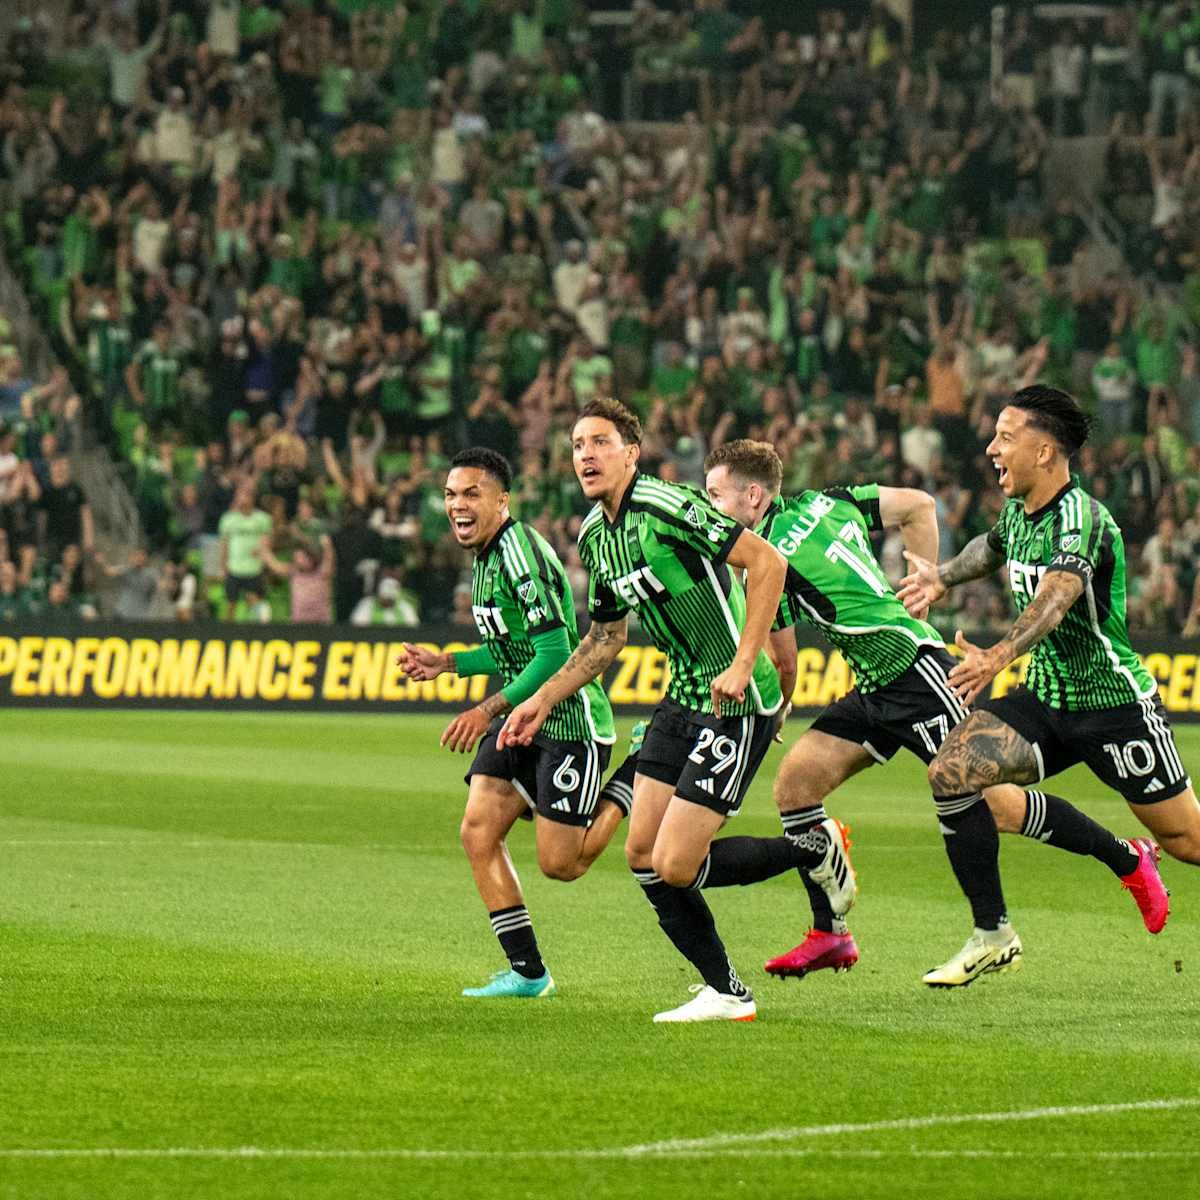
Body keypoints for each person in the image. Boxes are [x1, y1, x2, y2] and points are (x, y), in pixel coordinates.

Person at [703, 439, 1165, 989]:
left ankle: (1123, 862)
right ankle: (831, 934)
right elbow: (919, 505)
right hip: (877, 684)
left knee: (991, 802)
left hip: (920, 676)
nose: (710, 509)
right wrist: (923, 587)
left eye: (715, 495)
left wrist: (776, 711)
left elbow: (783, 659)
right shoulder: (832, 500)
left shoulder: (763, 560)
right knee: (797, 786)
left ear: (753, 497)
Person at [500, 399, 854, 1023]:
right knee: (643, 857)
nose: (585, 454)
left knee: (675, 863)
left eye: (600, 442)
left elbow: (768, 563)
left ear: (630, 454)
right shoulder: (593, 536)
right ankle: (727, 991)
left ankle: (812, 846)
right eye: (578, 444)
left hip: (738, 701)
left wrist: (744, 666)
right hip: (682, 698)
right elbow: (605, 640)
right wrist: (540, 701)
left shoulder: (670, 507)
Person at [900, 386, 1197, 976]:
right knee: (953, 770)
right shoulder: (1020, 511)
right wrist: (942, 578)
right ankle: (992, 932)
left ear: (1045, 451)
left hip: (1114, 707)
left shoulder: (1081, 517)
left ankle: (1141, 858)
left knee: (1189, 841)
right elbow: (991, 548)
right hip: (1049, 700)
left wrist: (998, 656)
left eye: (1006, 438)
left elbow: (1057, 597)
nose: (991, 448)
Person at [399, 448, 622, 1000]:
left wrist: (486, 709)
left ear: (503, 501)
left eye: (472, 494)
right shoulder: (485, 557)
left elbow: (552, 654)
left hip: (569, 721)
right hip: (523, 719)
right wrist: (448, 663)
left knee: (561, 865)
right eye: (451, 495)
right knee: (478, 831)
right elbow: (512, 648)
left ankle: (631, 784)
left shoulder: (519, 553)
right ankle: (528, 973)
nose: (458, 506)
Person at [217, 485, 272, 619]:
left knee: (255, 602)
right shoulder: (228, 519)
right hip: (234, 568)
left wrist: (262, 552)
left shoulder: (263, 519)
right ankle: (228, 634)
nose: (241, 500)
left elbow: (267, 542)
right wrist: (222, 567)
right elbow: (224, 544)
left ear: (252, 499)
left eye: (245, 496)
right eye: (239, 496)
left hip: (254, 569)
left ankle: (260, 631)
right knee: (230, 604)